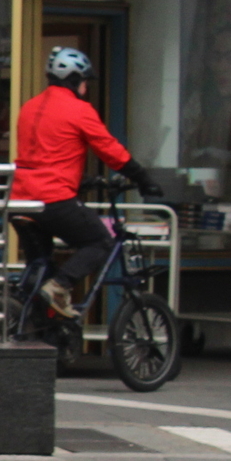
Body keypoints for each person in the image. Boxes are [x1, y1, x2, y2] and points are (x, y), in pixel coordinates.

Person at [11, 47, 162, 315]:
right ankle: (61, 287)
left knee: (40, 265)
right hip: (52, 198)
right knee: (100, 242)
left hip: (20, 199)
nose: (85, 87)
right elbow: (110, 150)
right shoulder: (79, 110)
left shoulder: (29, 107)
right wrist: (142, 178)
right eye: (83, 81)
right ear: (73, 79)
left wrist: (81, 181)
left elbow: (45, 155)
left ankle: (35, 323)